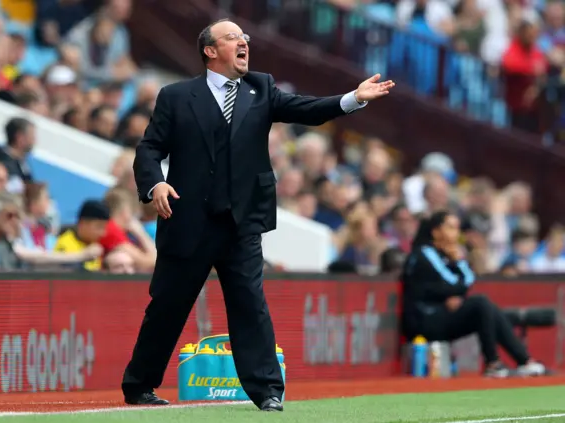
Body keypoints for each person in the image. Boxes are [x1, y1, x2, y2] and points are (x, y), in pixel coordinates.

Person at [125, 18, 395, 411]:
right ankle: (139, 385)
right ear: (210, 50)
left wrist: (354, 97)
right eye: (233, 38)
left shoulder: (261, 88)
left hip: (241, 223)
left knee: (250, 304)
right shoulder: (176, 96)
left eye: (245, 38)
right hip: (188, 221)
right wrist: (156, 185)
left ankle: (268, 390)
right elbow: (149, 149)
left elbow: (308, 110)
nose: (244, 43)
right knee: (167, 305)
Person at [401, 210, 547, 378]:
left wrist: (458, 265)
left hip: (441, 313)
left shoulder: (446, 255)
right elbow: (453, 283)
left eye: (456, 228)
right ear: (435, 231)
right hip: (424, 319)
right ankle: (494, 362)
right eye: (450, 228)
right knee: (480, 303)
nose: (455, 233)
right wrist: (456, 280)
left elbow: (467, 280)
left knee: (487, 308)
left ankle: (524, 361)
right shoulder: (425, 253)